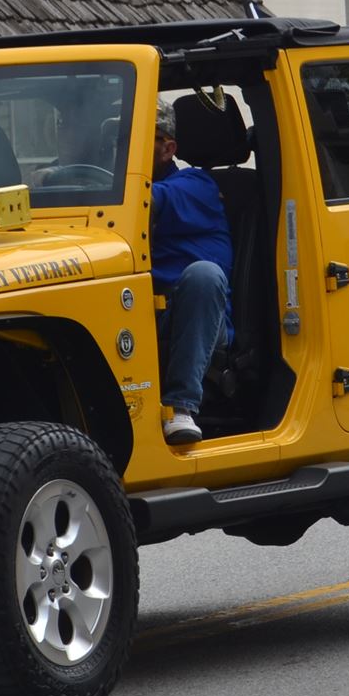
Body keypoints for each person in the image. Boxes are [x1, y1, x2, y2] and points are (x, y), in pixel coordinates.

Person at [149, 100, 233, 445]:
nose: (118, 149)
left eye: (132, 139)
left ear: (168, 148)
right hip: (139, 311)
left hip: (196, 321)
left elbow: (147, 200)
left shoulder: (197, 184)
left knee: (204, 274)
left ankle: (181, 406)